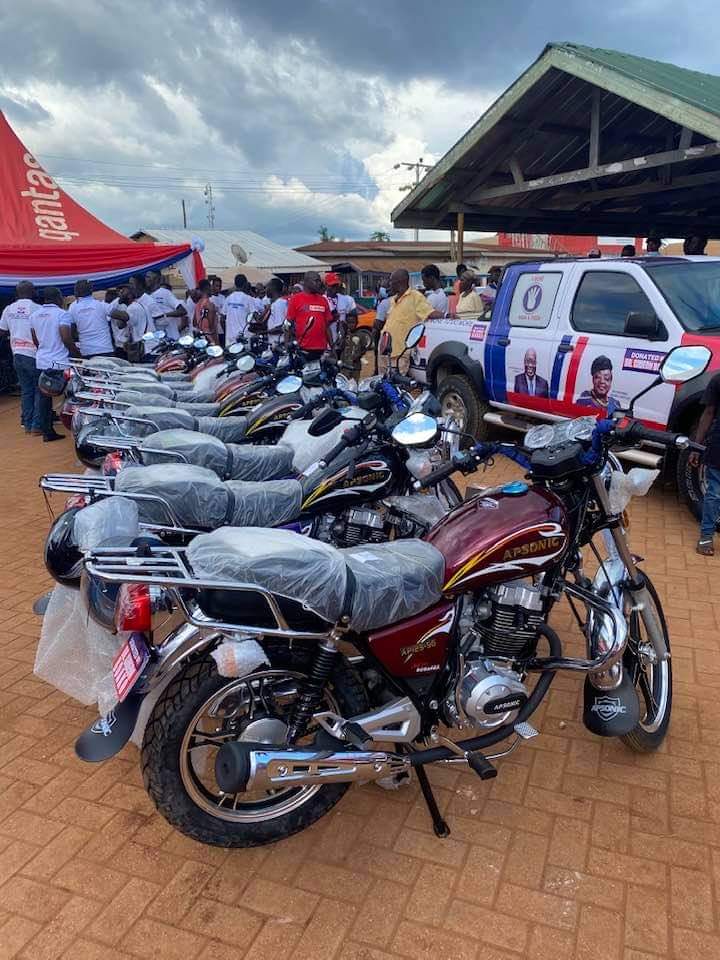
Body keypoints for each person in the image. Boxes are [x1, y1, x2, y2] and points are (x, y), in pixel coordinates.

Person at [30, 287, 79, 442]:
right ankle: (74, 428)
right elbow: (66, 337)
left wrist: (44, 350)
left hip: (42, 360)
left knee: (44, 398)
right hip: (60, 362)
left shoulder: (34, 315)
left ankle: (47, 431)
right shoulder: (62, 314)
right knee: (71, 394)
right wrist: (76, 354)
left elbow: (35, 339)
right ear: (58, 298)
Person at [378, 268, 441, 375]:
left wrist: (447, 315)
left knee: (397, 386)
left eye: (391, 282)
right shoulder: (393, 300)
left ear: (399, 282)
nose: (389, 285)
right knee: (382, 385)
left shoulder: (415, 297)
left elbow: (430, 313)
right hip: (384, 350)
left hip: (400, 353)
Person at [0, 280, 42, 434]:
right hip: (33, 354)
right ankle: (37, 425)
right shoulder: (38, 309)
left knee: (26, 389)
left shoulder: (8, 309)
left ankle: (26, 421)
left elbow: (2, 331)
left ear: (17, 293)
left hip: (17, 354)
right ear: (33, 292)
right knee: (39, 389)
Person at [690, 373, 720, 554]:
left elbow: (708, 413)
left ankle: (706, 539)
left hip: (718, 442)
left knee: (714, 492)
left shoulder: (718, 379)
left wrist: (697, 446)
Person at [286, 271, 333, 358]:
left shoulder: (323, 300)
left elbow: (327, 326)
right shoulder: (296, 299)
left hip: (321, 349)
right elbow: (287, 324)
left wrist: (332, 347)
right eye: (316, 281)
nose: (319, 284)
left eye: (320, 281)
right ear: (306, 282)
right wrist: (286, 346)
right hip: (302, 348)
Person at [67, 279, 114, 359]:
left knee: (90, 371)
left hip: (87, 351)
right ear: (91, 290)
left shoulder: (73, 307)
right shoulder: (100, 304)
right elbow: (123, 316)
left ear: (76, 292)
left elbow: (71, 332)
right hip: (105, 349)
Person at [109, 285, 151, 361]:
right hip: (147, 347)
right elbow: (123, 325)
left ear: (130, 295)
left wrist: (109, 310)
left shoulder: (133, 308)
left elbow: (122, 321)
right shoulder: (138, 305)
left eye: (123, 291)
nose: (119, 294)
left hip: (144, 349)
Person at [145, 271, 188, 340]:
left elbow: (182, 311)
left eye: (148, 277)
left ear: (156, 279)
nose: (146, 279)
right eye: (146, 277)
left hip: (170, 338)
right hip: (156, 340)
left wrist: (163, 315)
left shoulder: (165, 293)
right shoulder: (147, 296)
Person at [224, 274, 262, 343]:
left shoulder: (228, 298)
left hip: (229, 339)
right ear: (245, 284)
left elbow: (222, 317)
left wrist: (227, 331)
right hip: (243, 339)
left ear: (235, 284)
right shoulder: (248, 299)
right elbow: (257, 318)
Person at [324, 272, 357, 347]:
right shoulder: (321, 300)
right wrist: (332, 318)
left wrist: (346, 326)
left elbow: (353, 320)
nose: (334, 288)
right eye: (332, 286)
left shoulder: (347, 299)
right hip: (326, 344)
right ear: (326, 285)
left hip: (342, 343)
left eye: (336, 285)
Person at [338, 313, 365, 379]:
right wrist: (344, 335)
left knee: (354, 385)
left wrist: (358, 355)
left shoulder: (361, 335)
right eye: (349, 323)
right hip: (344, 366)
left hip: (356, 366)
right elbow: (340, 347)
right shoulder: (344, 335)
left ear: (357, 323)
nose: (351, 325)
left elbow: (363, 349)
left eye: (353, 322)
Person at [194, 279, 219, 344]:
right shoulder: (209, 305)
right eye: (211, 287)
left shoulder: (197, 304)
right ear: (207, 288)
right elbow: (212, 325)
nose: (212, 289)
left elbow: (194, 322)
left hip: (200, 338)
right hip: (209, 338)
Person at [265, 278, 288, 346]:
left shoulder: (279, 304)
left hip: (278, 344)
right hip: (274, 344)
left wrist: (262, 332)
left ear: (273, 288)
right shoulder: (276, 303)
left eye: (267, 287)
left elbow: (280, 327)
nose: (265, 290)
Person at [209, 275, 227, 345]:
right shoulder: (209, 299)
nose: (218, 288)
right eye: (216, 286)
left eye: (220, 286)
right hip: (214, 330)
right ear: (212, 286)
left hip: (223, 329)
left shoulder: (223, 297)